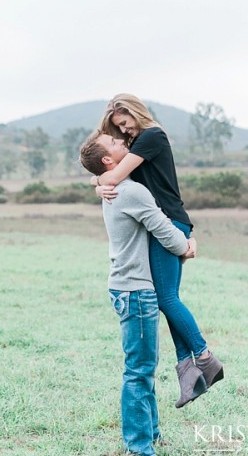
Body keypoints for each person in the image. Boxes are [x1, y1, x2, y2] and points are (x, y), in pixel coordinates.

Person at [88, 93, 223, 408]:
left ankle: (205, 359)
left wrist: (97, 182)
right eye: (119, 130)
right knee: (168, 298)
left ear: (136, 113)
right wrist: (97, 180)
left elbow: (115, 176)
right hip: (163, 224)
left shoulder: (152, 136)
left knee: (166, 298)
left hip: (169, 224)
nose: (126, 131)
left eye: (125, 124)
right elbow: (110, 172)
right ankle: (189, 373)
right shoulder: (137, 146)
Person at [79, 131, 199, 456]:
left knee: (143, 367)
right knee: (139, 371)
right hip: (136, 291)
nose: (123, 143)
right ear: (108, 160)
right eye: (115, 143)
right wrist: (188, 244)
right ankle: (140, 449)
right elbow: (165, 232)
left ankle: (151, 435)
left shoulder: (115, 187)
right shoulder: (130, 191)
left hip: (126, 287)